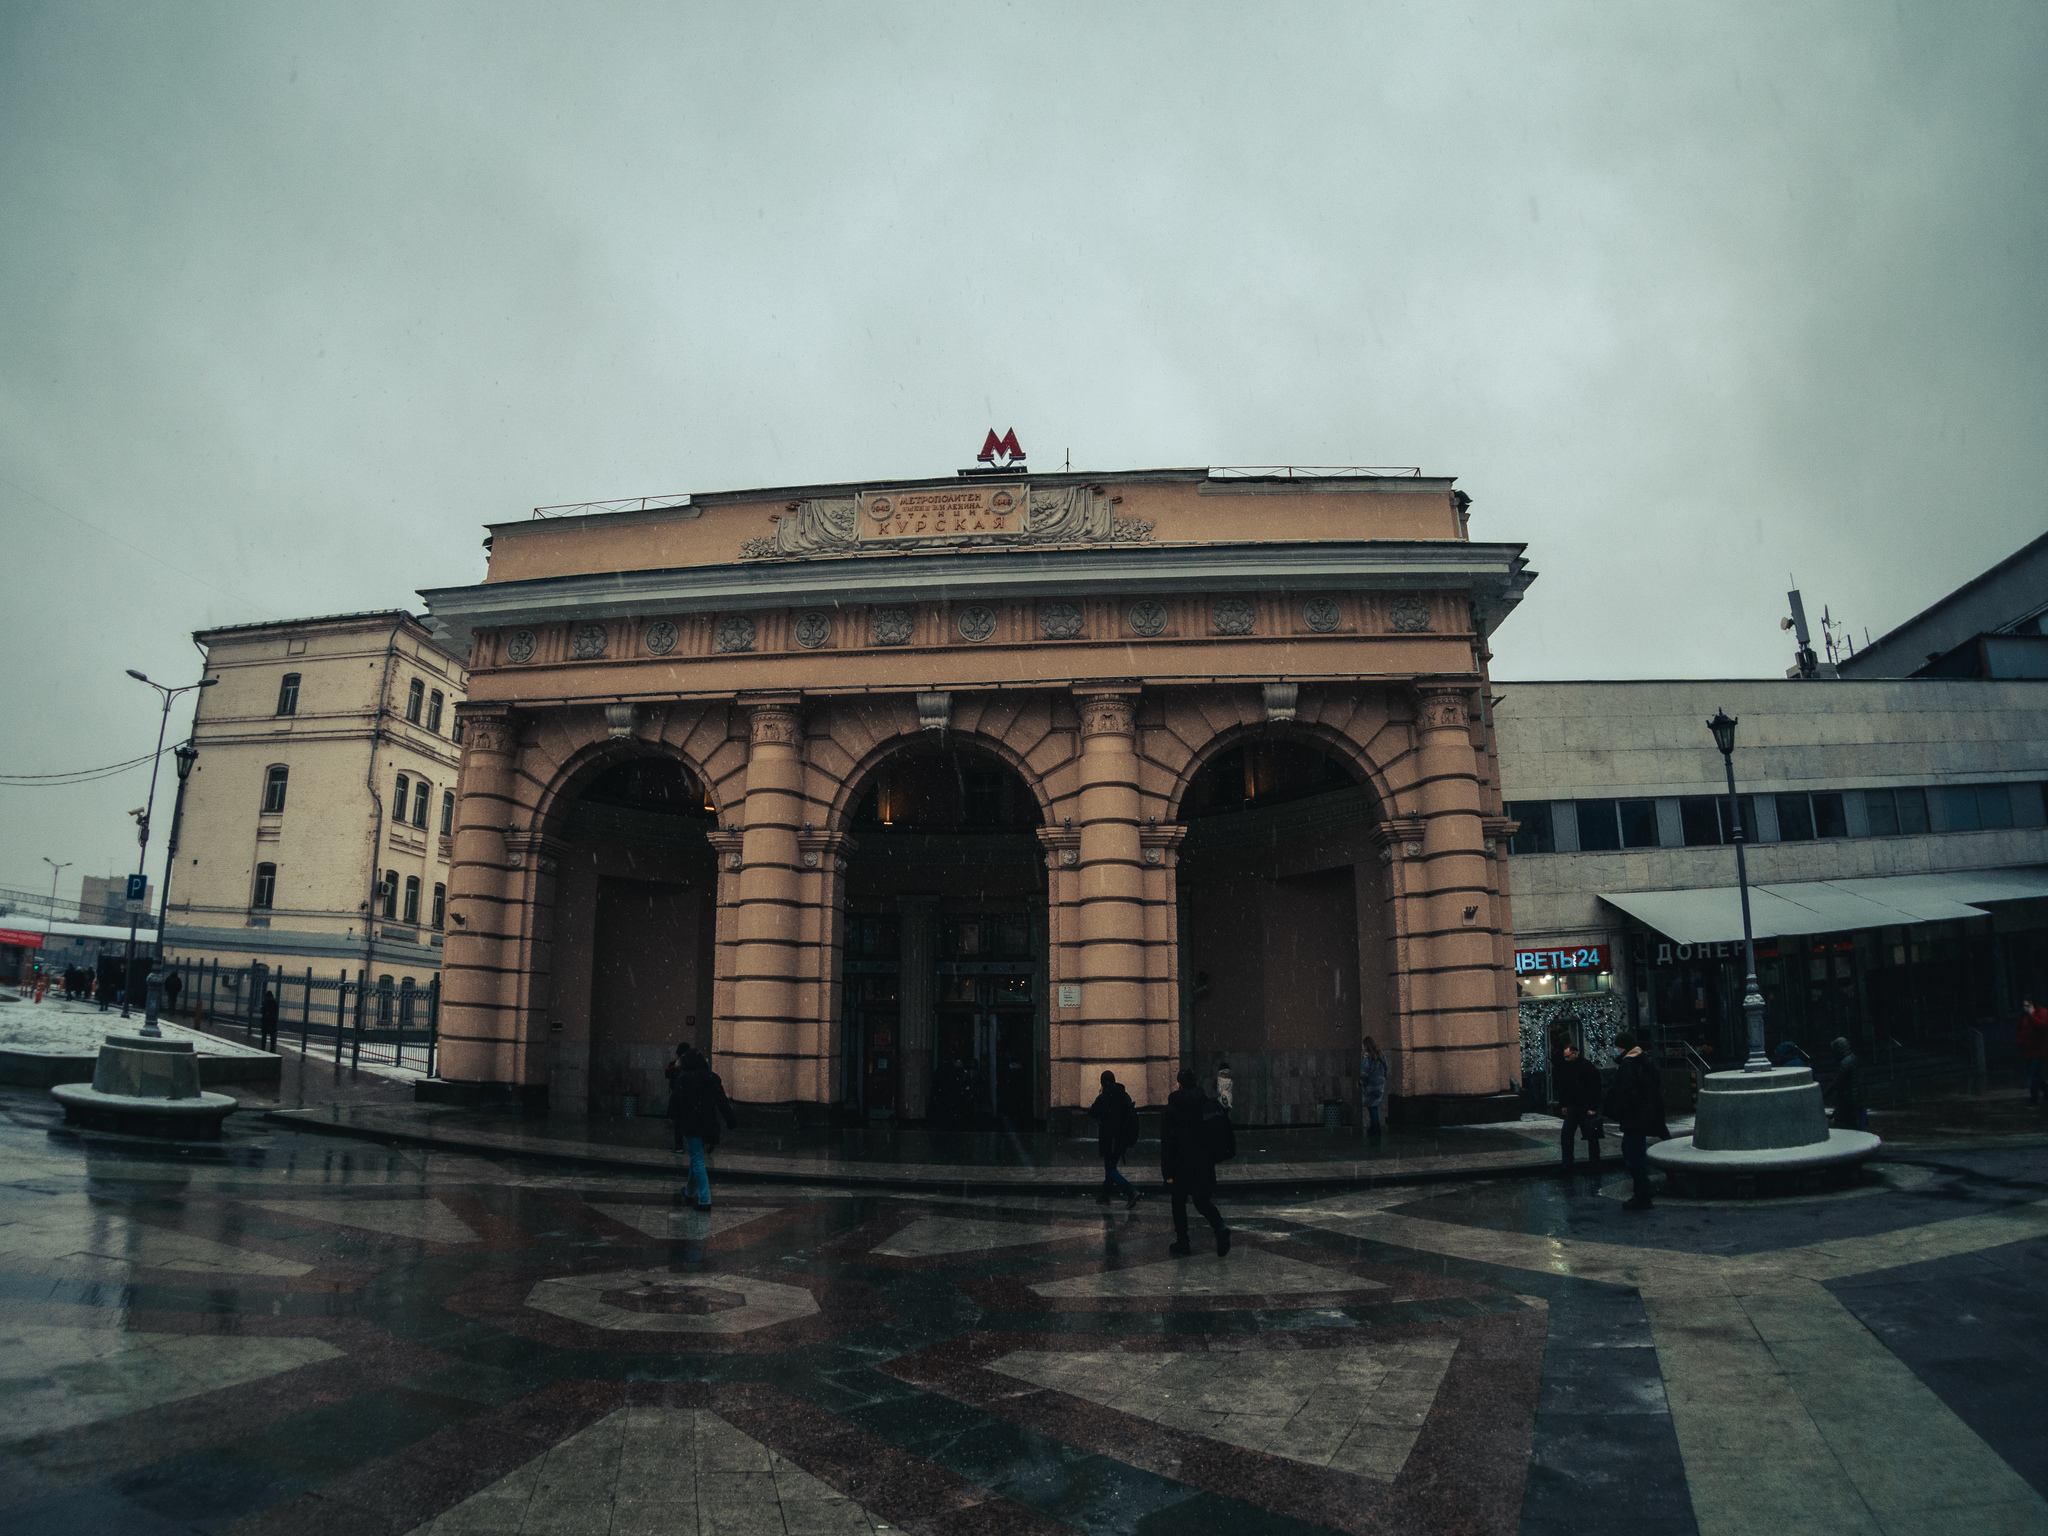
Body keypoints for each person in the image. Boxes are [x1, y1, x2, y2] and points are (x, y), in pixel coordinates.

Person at [1160, 1067, 1230, 1257]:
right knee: (1202, 1202)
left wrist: (1168, 1173)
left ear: (1179, 1084)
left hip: (1180, 1163)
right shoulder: (1205, 1103)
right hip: (1203, 1161)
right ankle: (1220, 1228)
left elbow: (1168, 1143)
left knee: (1178, 1201)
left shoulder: (1172, 1108)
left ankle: (1183, 1242)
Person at [1601, 1032, 1669, 1211]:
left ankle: (1642, 1195)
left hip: (1634, 1117)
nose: (1615, 1050)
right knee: (1634, 1152)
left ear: (1622, 1047)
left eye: (1616, 1047)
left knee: (1633, 1156)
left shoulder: (1628, 1065)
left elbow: (1627, 1094)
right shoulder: (1643, 1060)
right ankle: (1644, 1190)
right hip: (1645, 1115)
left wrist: (1617, 1111)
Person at [667, 1046, 738, 1211]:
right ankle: (690, 1191)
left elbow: (676, 1101)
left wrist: (672, 1115)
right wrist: (731, 1121)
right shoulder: (712, 1078)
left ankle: (705, 1198)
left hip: (691, 1124)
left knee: (697, 1158)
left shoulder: (684, 1078)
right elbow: (722, 1102)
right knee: (696, 1156)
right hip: (707, 1124)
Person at [1087, 1070, 1142, 1210]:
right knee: (1110, 1168)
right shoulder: (1123, 1095)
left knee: (1111, 1170)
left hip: (1108, 1139)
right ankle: (1104, 1196)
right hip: (1121, 1138)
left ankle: (1131, 1191)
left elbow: (1092, 1113)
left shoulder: (1104, 1097)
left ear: (1102, 1082)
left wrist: (1100, 1096)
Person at [1554, 1043, 1604, 1175]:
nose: (1566, 1059)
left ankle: (1594, 1165)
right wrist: (1564, 1104)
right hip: (1573, 1107)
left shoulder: (1587, 1067)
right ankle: (1567, 1165)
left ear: (1575, 1053)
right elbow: (1564, 1087)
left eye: (1568, 1056)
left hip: (1585, 1107)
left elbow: (1595, 1088)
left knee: (1591, 1137)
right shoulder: (1567, 1067)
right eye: (1565, 1056)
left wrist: (1593, 1107)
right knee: (1567, 1135)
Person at [1828, 1037, 1865, 1132]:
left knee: (1847, 1126)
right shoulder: (1852, 1058)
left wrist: (1822, 1095)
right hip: (1854, 1098)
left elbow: (1835, 1082)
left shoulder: (1845, 1063)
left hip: (1849, 1100)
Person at [2018, 999, 2048, 1106]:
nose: (2025, 1007)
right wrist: (2020, 1042)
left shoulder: (2041, 1013)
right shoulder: (2023, 1015)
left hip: (2038, 1050)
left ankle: (2034, 1099)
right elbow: (2020, 1030)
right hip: (2028, 1050)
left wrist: (2032, 1016)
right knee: (2034, 1074)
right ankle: (2045, 1090)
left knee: (2034, 1073)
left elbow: (2041, 1026)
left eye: (2027, 1005)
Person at [1360, 1038, 1388, 1138]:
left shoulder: (1367, 1057)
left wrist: (1362, 1082)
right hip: (1379, 1085)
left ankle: (1375, 1126)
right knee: (1374, 1106)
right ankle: (1375, 1126)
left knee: (1372, 1107)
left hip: (1370, 1085)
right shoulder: (1381, 1055)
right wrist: (1381, 1078)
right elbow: (1386, 1069)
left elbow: (1364, 1073)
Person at [259, 987, 279, 1051]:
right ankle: (272, 1048)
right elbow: (276, 1012)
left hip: (265, 1021)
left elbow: (262, 1011)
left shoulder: (265, 1001)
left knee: (264, 1035)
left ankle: (263, 1046)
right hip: (272, 1021)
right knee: (272, 1036)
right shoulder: (275, 1002)